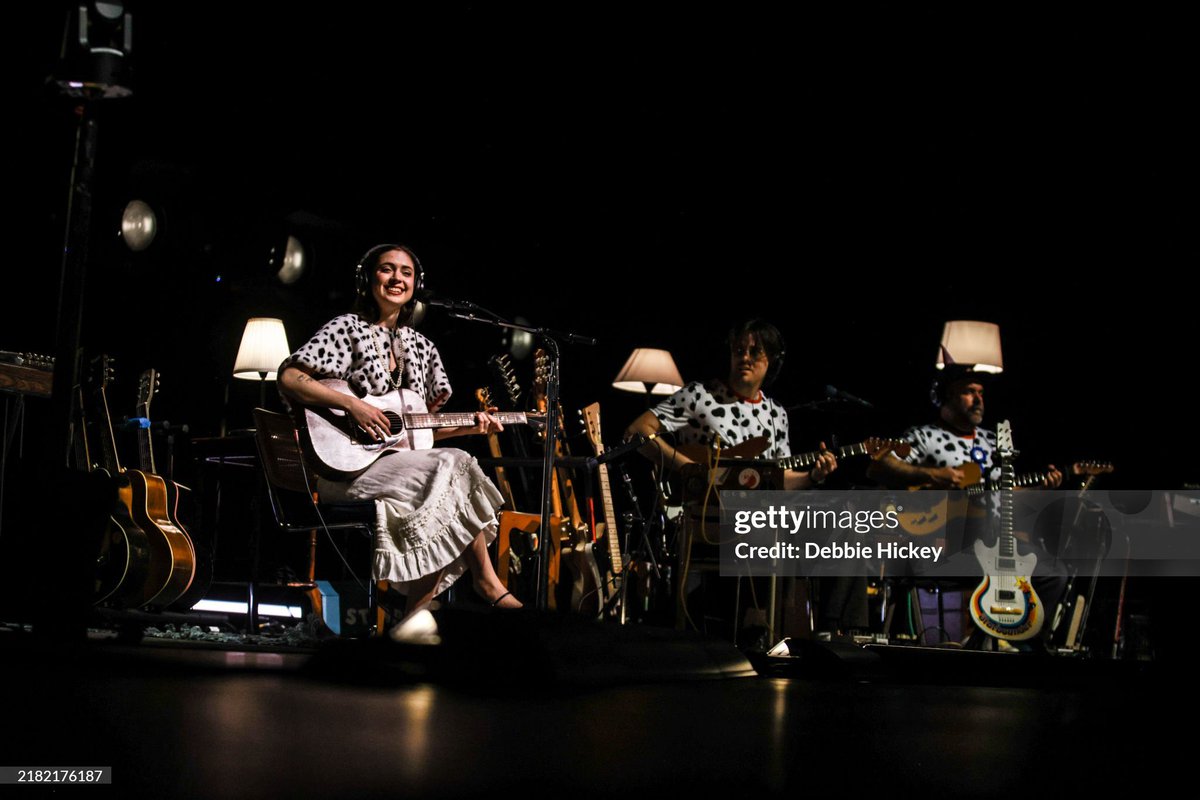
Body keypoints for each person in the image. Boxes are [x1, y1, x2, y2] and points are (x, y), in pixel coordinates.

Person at [278, 243, 522, 643]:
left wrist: (472, 428)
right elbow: (290, 378)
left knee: (448, 476)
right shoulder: (346, 328)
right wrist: (353, 405)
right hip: (347, 470)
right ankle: (485, 584)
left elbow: (419, 436)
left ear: (416, 284)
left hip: (407, 470)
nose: (397, 278)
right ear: (368, 278)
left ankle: (415, 618)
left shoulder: (422, 348)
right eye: (387, 269)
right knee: (453, 469)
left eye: (406, 272)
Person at [866, 363, 1067, 645]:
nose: (978, 399)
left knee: (1053, 573)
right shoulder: (924, 437)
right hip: (943, 544)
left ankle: (1018, 645)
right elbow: (880, 465)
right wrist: (933, 474)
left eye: (981, 393)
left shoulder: (992, 442)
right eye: (969, 392)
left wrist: (1040, 488)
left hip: (994, 540)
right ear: (947, 396)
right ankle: (981, 642)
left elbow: (1003, 494)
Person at [624, 319, 836, 489]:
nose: (745, 358)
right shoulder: (699, 395)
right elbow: (636, 431)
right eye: (739, 350)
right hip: (701, 517)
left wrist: (814, 476)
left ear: (772, 360)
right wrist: (688, 468)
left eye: (755, 352)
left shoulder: (777, 413)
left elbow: (780, 480)